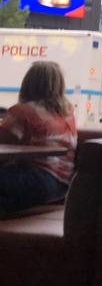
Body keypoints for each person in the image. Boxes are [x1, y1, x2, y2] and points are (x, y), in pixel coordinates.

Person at [0, 61, 77, 215]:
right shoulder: (67, 114)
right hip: (62, 185)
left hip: (36, 179)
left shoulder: (23, 112)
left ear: (28, 83)